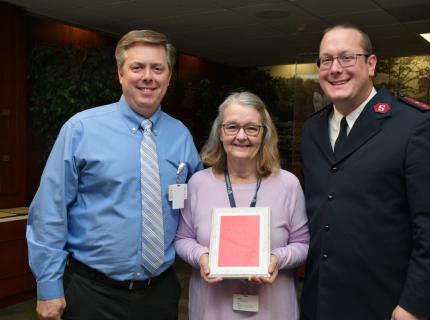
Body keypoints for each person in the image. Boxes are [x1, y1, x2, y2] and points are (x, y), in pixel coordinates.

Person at [27, 30, 202, 320]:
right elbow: (49, 211)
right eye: (137, 67)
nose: (148, 76)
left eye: (157, 68)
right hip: (92, 294)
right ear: (121, 74)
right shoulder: (81, 129)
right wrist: (48, 287)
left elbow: (197, 206)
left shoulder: (181, 135)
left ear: (169, 77)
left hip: (159, 294)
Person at [300, 24, 430, 320]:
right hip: (319, 299)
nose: (335, 69)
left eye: (347, 58)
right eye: (326, 60)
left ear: (370, 64)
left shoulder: (414, 126)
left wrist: (416, 304)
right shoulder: (312, 130)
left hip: (385, 302)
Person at [174, 91, 310, 320]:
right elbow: (182, 239)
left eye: (251, 128)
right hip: (212, 310)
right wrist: (202, 257)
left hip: (272, 311)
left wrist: (277, 259)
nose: (241, 136)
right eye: (232, 127)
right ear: (220, 132)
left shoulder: (287, 184)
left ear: (264, 134)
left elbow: (303, 244)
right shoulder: (198, 183)